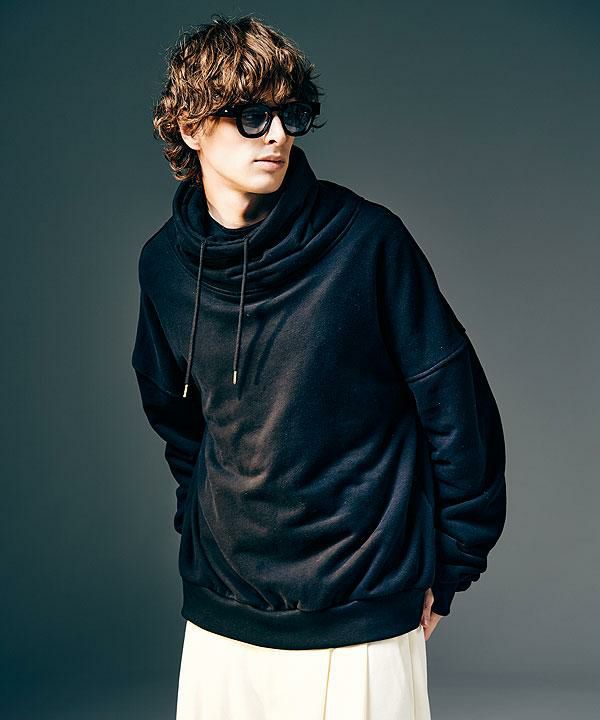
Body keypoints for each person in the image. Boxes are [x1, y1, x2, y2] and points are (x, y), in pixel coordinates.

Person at [130, 13, 507, 720]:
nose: (276, 134)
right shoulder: (164, 267)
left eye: (290, 114)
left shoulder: (367, 243)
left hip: (362, 606)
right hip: (223, 612)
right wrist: (203, 527)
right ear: (189, 127)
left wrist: (452, 565)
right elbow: (176, 419)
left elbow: (460, 414)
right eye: (250, 115)